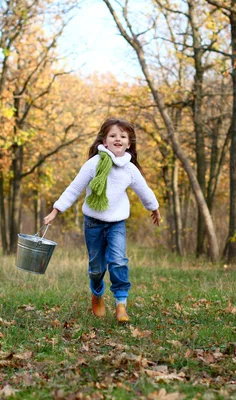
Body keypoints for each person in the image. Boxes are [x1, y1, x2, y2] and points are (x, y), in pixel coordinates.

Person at [43, 117, 161, 323]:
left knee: (118, 261)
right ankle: (97, 294)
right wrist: (55, 210)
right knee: (97, 268)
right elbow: (74, 188)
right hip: (93, 223)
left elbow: (144, 190)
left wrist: (154, 207)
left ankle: (121, 304)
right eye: (113, 135)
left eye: (123, 136)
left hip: (117, 223)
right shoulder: (94, 164)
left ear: (129, 143)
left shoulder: (130, 169)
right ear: (104, 141)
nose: (118, 139)